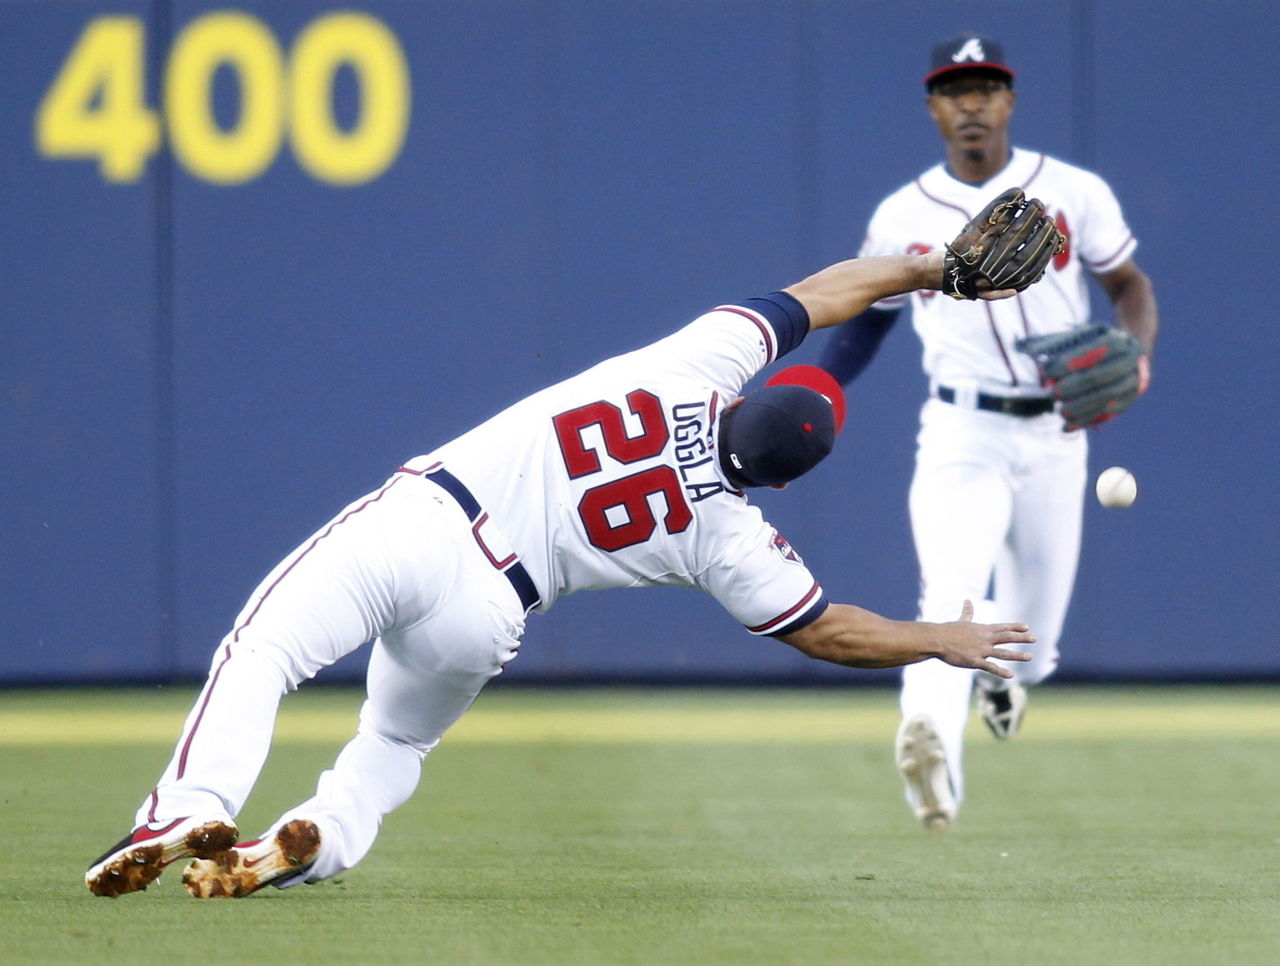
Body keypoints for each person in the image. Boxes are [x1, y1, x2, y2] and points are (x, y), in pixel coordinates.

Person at [85, 238, 1044, 899]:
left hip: (432, 520)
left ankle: (186, 810)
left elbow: (827, 291)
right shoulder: (730, 536)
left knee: (264, 652)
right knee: (394, 747)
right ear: (787, 481)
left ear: (752, 393)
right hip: (493, 613)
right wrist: (941, 640)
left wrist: (930, 272)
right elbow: (828, 631)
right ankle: (320, 838)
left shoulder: (692, 367)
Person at [818, 32, 1159, 830]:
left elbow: (1129, 284)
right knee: (953, 590)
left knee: (1032, 649)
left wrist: (1136, 358)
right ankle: (931, 740)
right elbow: (868, 321)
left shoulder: (1073, 189)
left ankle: (1006, 680)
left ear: (1009, 100)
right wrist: (819, 386)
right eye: (954, 88)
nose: (971, 102)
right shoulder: (901, 216)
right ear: (934, 106)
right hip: (959, 431)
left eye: (986, 86)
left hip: (1055, 437)